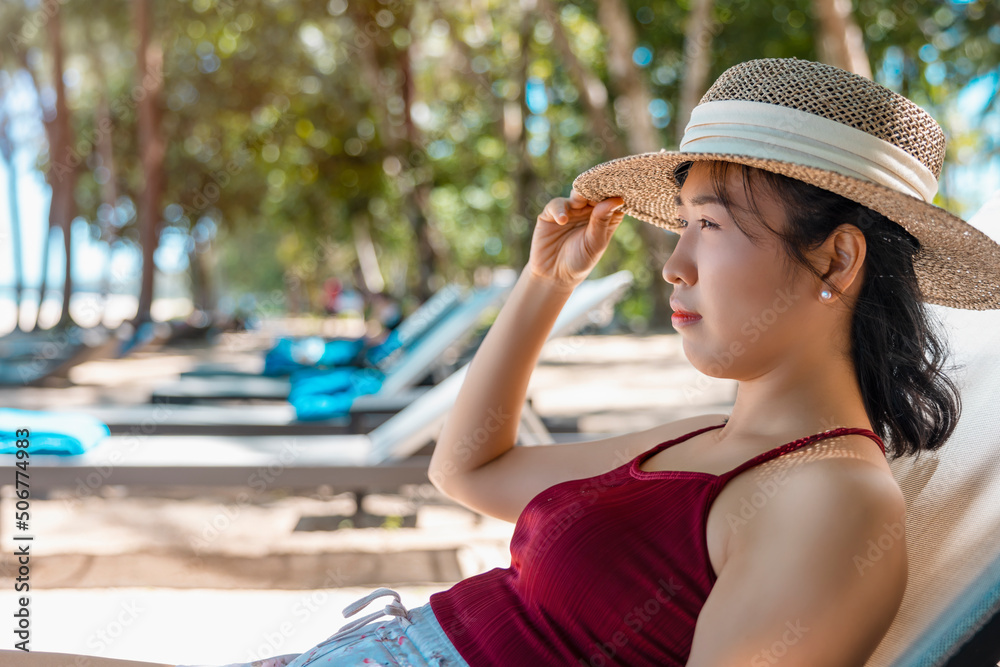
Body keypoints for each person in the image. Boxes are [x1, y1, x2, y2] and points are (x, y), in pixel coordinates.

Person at [7, 57, 1000, 667]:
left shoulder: (830, 503)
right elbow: (469, 470)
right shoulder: (719, 440)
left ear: (836, 258)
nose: (675, 264)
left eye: (710, 224)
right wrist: (543, 284)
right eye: (680, 227)